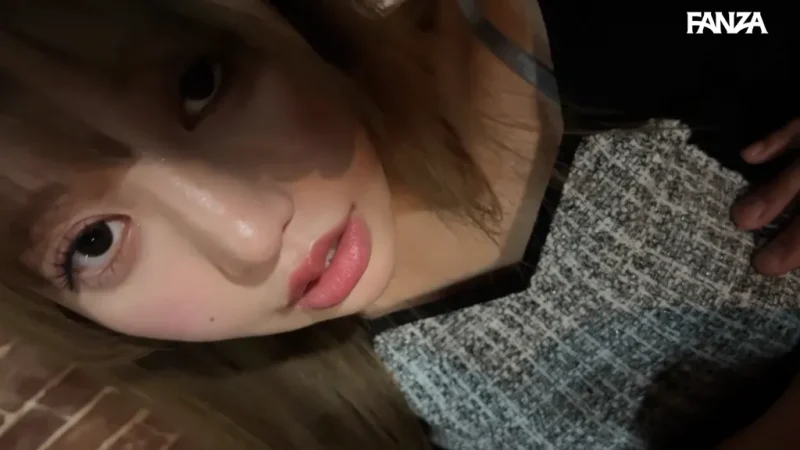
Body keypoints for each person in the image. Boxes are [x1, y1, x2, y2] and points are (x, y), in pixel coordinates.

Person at [0, 0, 796, 449]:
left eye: (200, 84)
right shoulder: (321, 426)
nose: (253, 234)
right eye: (92, 242)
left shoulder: (563, 22)